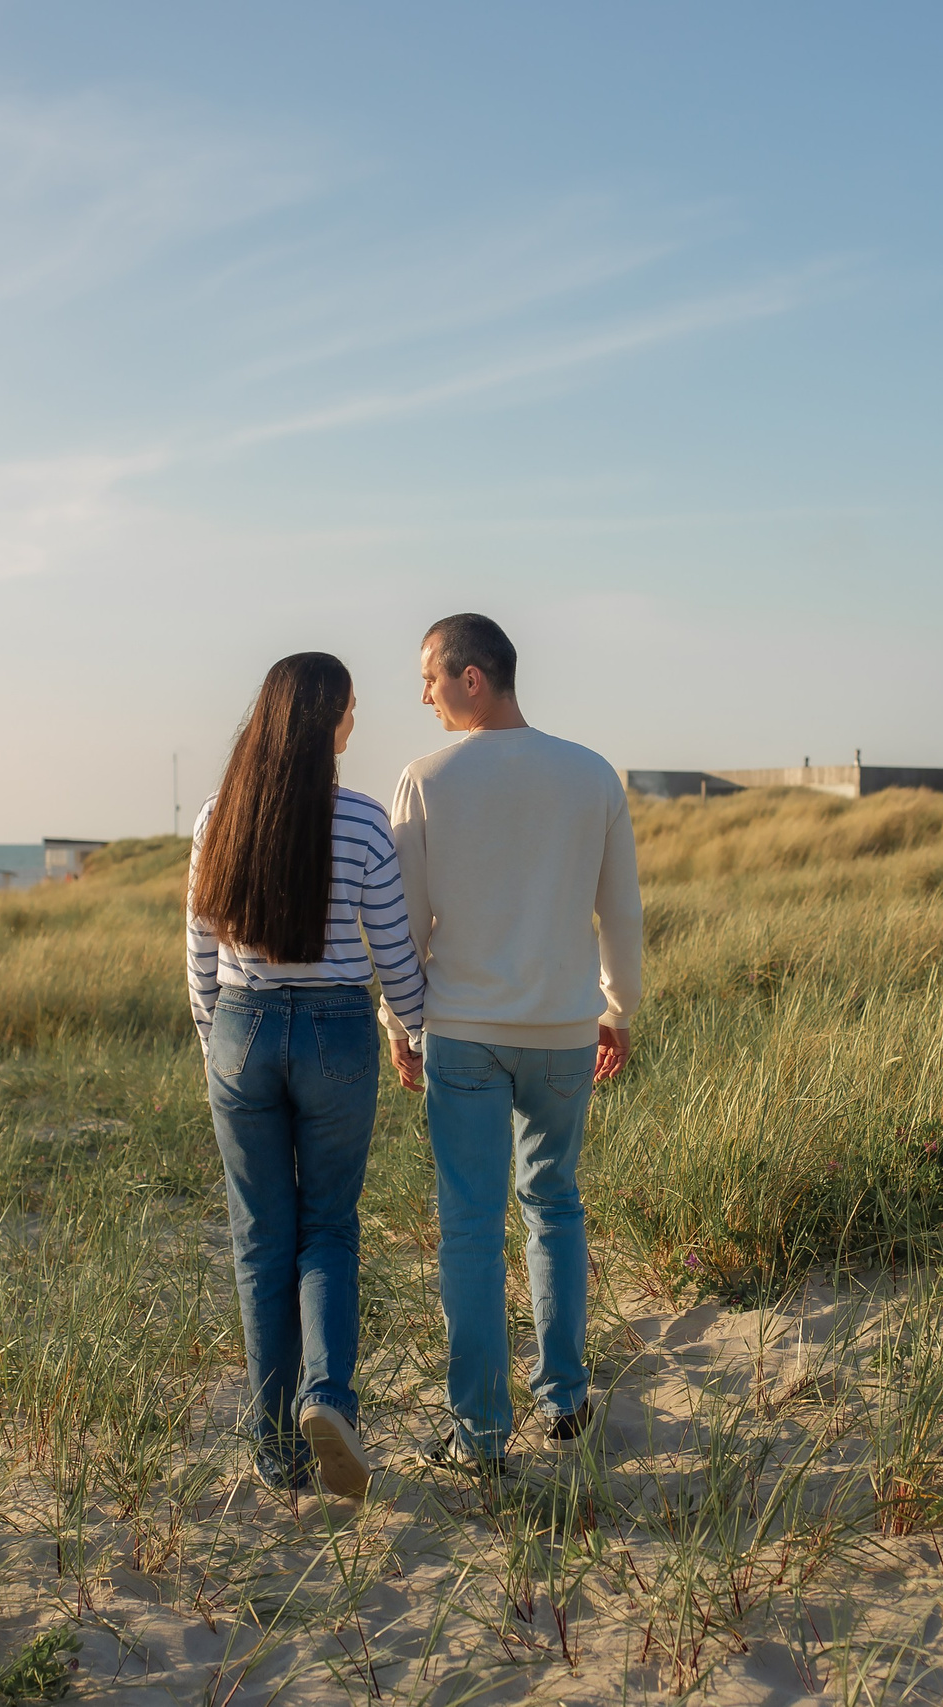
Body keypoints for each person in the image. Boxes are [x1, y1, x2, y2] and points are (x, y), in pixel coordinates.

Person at [383, 613, 641, 1473]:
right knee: (555, 1204)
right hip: (566, 1030)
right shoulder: (592, 773)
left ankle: (481, 1430)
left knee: (468, 1225)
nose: (421, 694)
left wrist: (401, 1024)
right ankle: (564, 1399)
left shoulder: (425, 779)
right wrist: (620, 1008)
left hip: (466, 1031)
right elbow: (621, 912)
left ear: (472, 677)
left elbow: (403, 925)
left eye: (429, 677)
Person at [187, 652, 426, 1497]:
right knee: (327, 1225)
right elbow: (393, 952)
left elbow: (201, 952)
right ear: (325, 721)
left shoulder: (222, 814)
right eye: (350, 712)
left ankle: (274, 1448)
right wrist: (418, 1030)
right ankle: (327, 1398)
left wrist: (220, 1041)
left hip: (244, 1028)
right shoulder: (361, 821)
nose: (354, 725)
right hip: (333, 1028)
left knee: (261, 1240)